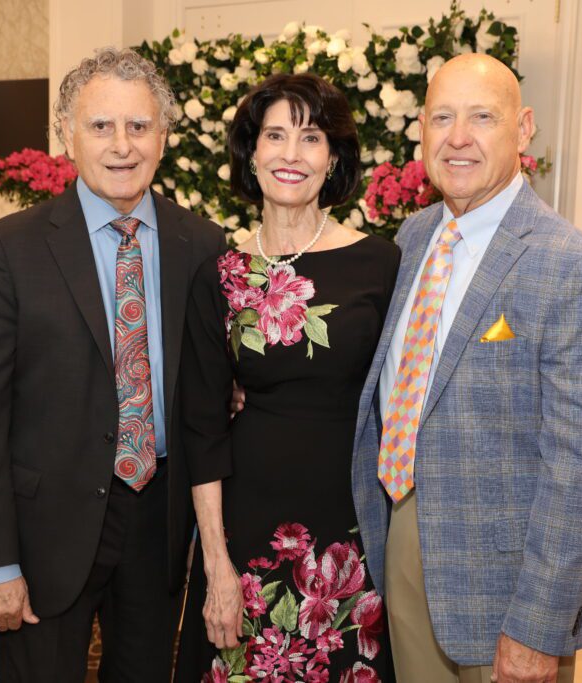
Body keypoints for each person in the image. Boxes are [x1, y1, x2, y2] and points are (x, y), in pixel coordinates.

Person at [0, 47, 226, 682]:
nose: (122, 145)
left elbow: (207, 389)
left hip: (158, 523)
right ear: (66, 135)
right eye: (101, 126)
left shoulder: (200, 244)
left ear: (164, 135)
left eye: (139, 126)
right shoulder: (9, 248)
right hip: (44, 532)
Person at [351, 54, 582, 683]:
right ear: (420, 130)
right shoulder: (412, 238)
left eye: (482, 117)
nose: (459, 137)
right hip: (405, 535)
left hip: (509, 582)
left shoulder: (574, 267)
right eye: (442, 117)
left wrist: (538, 627)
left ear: (523, 129)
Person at [173, 73, 400, 682]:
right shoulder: (219, 274)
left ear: (335, 159)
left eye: (312, 137)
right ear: (252, 153)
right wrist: (217, 565)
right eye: (275, 135)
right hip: (247, 525)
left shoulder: (382, 264)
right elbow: (201, 430)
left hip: (353, 523)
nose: (291, 154)